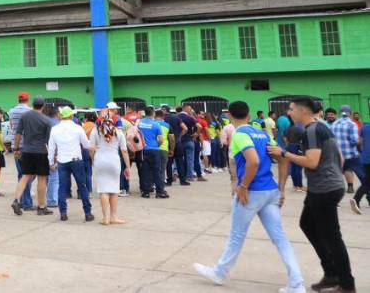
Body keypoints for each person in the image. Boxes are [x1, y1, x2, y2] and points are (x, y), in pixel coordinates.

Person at [194, 100, 304, 293]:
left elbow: (252, 161)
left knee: (236, 236)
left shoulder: (240, 134)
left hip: (252, 192)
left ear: (229, 115)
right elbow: (282, 158)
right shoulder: (262, 134)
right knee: (280, 238)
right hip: (270, 191)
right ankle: (296, 283)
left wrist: (243, 186)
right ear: (249, 114)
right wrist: (281, 189)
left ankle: (219, 272)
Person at [268, 96, 354, 293]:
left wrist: (283, 153)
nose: (289, 113)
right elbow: (340, 158)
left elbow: (312, 162)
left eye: (291, 109)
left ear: (303, 111)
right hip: (324, 186)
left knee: (332, 237)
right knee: (307, 224)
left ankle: (346, 284)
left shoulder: (312, 130)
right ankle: (331, 274)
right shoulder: (321, 126)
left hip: (324, 189)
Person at [48, 106, 93, 222]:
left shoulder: (55, 129)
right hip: (76, 160)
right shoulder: (78, 128)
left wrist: (51, 162)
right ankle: (88, 213)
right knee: (82, 186)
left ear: (61, 116)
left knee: (62, 187)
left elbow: (51, 148)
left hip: (62, 161)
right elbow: (86, 145)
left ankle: (63, 213)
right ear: (71, 116)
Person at [11, 97, 52, 216]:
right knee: (42, 179)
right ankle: (41, 207)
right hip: (41, 152)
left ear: (33, 105)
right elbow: (49, 141)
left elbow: (18, 133)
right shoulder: (46, 120)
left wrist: (16, 149)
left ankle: (16, 200)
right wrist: (52, 155)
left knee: (25, 176)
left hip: (27, 151)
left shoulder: (25, 116)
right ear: (43, 106)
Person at [90, 116, 130, 225]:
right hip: (114, 161)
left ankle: (105, 218)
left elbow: (91, 148)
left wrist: (93, 159)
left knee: (103, 190)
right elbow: (124, 151)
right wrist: (128, 167)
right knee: (114, 190)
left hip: (100, 160)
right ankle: (113, 217)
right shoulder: (119, 132)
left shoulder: (95, 132)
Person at [8, 93, 34, 210]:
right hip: (27, 146)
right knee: (27, 174)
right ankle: (27, 203)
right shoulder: (30, 111)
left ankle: (21, 200)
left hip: (16, 146)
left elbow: (12, 127)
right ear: (28, 99)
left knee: (21, 174)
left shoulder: (11, 111)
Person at [331, 105, 363, 194]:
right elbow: (355, 141)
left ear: (339, 113)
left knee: (337, 172)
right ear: (351, 113)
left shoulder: (334, 124)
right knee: (362, 174)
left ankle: (336, 190)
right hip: (351, 154)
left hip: (338, 154)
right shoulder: (352, 124)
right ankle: (353, 188)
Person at [138, 107, 169, 199]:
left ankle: (146, 192)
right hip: (155, 150)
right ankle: (159, 192)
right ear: (153, 114)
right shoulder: (156, 124)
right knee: (157, 171)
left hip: (143, 150)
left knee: (145, 171)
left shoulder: (140, 123)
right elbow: (161, 140)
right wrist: (157, 145)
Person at [351, 116, 370, 213]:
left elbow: (360, 142)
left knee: (367, 182)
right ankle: (356, 198)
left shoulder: (364, 127)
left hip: (365, 158)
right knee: (367, 183)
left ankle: (356, 199)